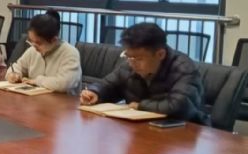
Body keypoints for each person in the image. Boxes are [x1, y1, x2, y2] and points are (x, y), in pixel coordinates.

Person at [79, 22, 209, 123]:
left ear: (160, 54)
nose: (132, 63)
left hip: (184, 132)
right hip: (145, 128)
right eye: (128, 56)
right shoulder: (130, 64)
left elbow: (180, 106)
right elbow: (109, 85)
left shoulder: (183, 68)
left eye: (139, 58)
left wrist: (141, 106)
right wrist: (95, 92)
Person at [5, 10, 81, 93]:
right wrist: (13, 74)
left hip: (62, 100)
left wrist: (37, 81)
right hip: (35, 98)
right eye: (31, 41)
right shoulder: (33, 50)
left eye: (38, 43)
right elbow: (17, 66)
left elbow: (64, 83)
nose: (33, 45)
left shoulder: (70, 53)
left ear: (54, 40)